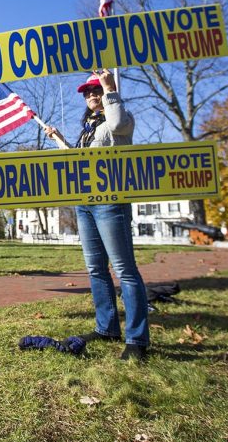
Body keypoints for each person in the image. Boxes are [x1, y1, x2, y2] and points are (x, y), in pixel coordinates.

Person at [44, 69, 150, 361]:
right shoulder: (88, 128)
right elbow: (80, 163)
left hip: (111, 203)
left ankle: (137, 340)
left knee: (125, 270)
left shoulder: (120, 119)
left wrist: (110, 87)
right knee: (96, 269)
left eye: (96, 90)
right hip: (85, 204)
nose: (91, 95)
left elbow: (116, 123)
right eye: (88, 92)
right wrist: (59, 140)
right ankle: (106, 328)